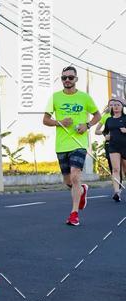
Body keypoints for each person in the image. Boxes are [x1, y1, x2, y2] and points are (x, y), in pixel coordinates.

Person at [43, 67, 100, 226]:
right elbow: (45, 120)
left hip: (79, 143)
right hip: (62, 145)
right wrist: (59, 122)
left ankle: (74, 214)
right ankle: (82, 190)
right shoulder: (55, 97)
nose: (67, 80)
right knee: (68, 181)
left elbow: (97, 115)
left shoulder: (84, 97)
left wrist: (87, 125)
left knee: (75, 176)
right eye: (64, 78)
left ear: (76, 79)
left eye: (70, 77)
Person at [101, 97, 126, 201]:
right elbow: (105, 131)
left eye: (118, 105)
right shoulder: (109, 120)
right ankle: (117, 192)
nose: (115, 107)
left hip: (125, 146)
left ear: (122, 107)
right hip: (113, 146)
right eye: (114, 105)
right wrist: (106, 136)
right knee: (115, 169)